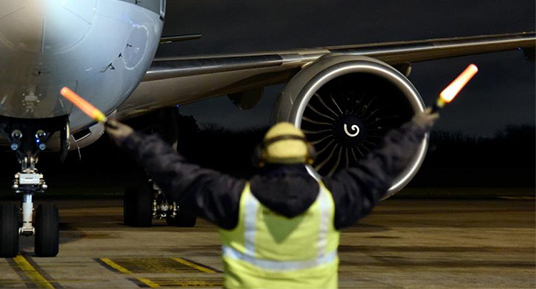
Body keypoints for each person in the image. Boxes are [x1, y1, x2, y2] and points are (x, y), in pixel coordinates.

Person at [105, 109, 439, 289]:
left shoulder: (236, 200)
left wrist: (136, 141)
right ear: (308, 158)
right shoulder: (331, 201)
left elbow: (178, 174)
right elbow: (379, 167)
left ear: (261, 158)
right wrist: (414, 129)